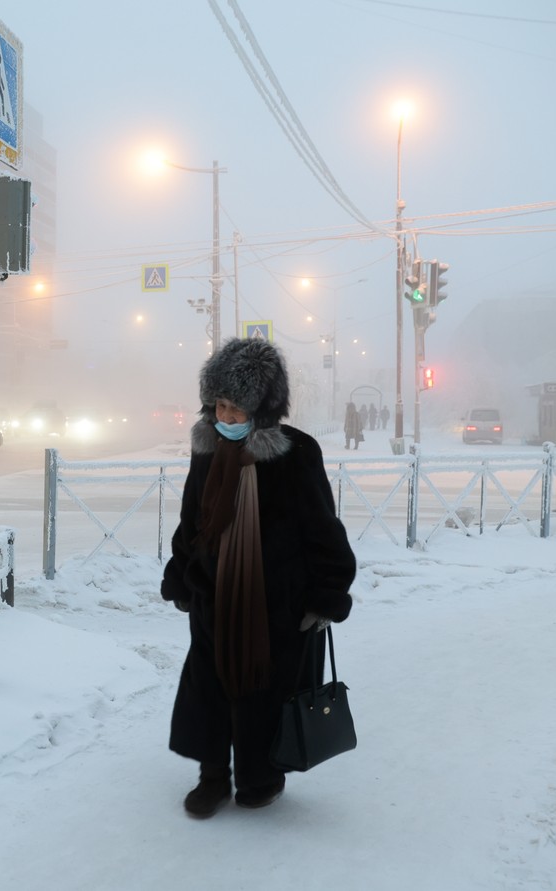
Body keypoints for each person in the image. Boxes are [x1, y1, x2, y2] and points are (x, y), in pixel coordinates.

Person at [161, 338, 356, 818]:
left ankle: (260, 776)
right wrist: (182, 575)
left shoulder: (296, 454)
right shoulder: (206, 449)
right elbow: (192, 519)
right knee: (209, 687)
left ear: (264, 408)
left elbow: (321, 527)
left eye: (236, 407)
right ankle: (212, 778)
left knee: (265, 691)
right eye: (219, 406)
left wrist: (326, 594)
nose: (225, 417)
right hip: (213, 593)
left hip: (276, 602)